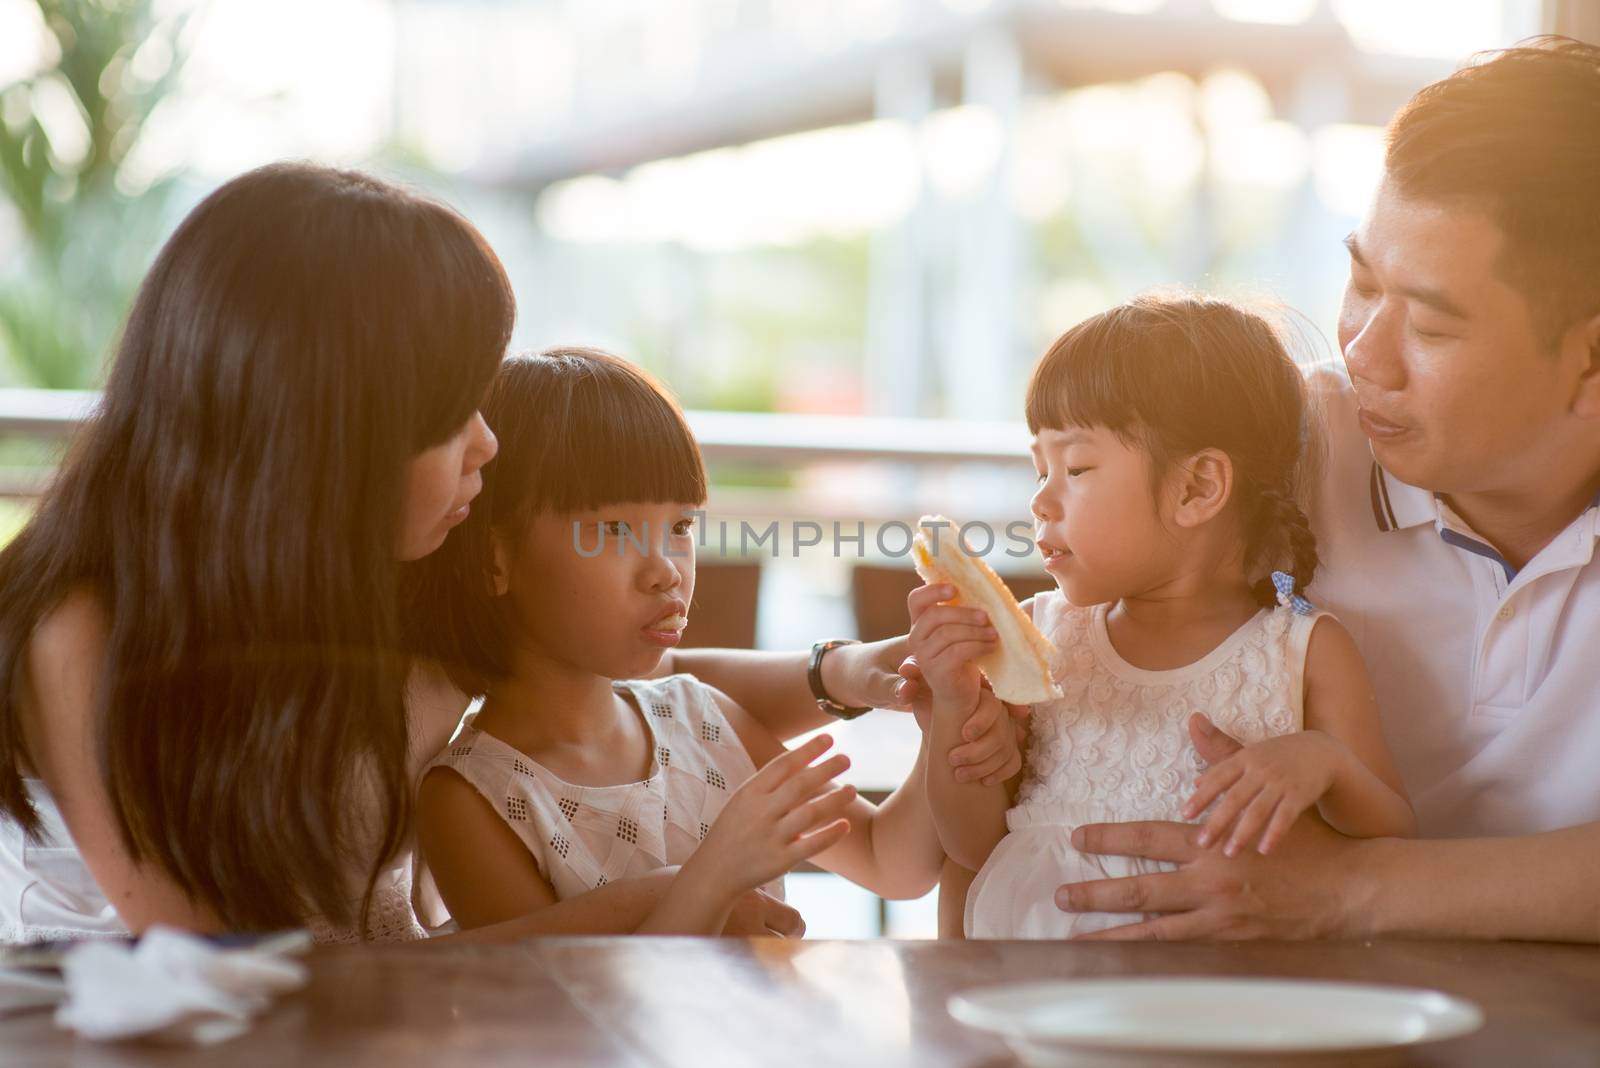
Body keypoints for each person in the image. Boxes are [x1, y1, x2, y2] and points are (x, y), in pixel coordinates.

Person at [0, 164, 979, 944]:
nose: (488, 444)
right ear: (334, 432)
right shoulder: (84, 634)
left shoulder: (384, 589)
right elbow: (233, 986)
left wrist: (837, 674)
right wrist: (660, 898)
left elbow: (628, 675)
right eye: (451, 410)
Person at [1011, 37, 1600, 943]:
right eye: (1363, 281)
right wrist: (832, 677)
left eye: (1434, 328)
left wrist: (1349, 886)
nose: (1361, 354)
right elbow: (1051, 603)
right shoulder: (1275, 446)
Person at [911, 295, 1413, 938]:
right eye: (1040, 469)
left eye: (1077, 466)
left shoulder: (1302, 652)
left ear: (1197, 487)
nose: (1041, 500)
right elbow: (973, 847)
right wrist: (954, 711)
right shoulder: (1044, 638)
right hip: (1030, 997)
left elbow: (1393, 846)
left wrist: (1327, 762)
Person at [410, 350, 944, 932]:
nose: (667, 569)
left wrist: (941, 715)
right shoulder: (468, 800)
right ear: (496, 560)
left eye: (681, 527)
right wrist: (711, 880)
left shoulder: (705, 718)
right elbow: (550, 1006)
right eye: (614, 529)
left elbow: (894, 864)